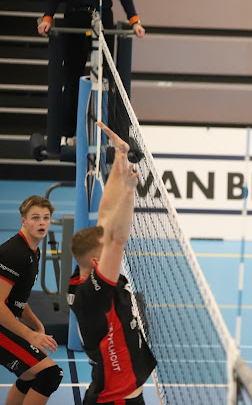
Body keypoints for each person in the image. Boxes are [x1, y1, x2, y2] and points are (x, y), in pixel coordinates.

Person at [68, 121, 157, 404]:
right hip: (115, 398)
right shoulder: (92, 294)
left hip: (120, 392)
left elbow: (106, 213)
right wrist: (130, 191)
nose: (107, 242)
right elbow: (117, 240)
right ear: (97, 261)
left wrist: (121, 155)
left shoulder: (84, 274)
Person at [37, 0, 145, 147]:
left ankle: (108, 135)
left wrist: (134, 20)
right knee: (72, 80)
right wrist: (47, 18)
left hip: (103, 18)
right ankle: (68, 134)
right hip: (75, 18)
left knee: (107, 80)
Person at [0, 196, 63, 404]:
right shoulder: (14, 253)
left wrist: (37, 326)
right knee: (49, 374)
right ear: (24, 221)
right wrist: (29, 335)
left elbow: (17, 298)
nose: (42, 223)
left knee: (31, 374)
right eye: (35, 218)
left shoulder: (32, 251)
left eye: (46, 218)